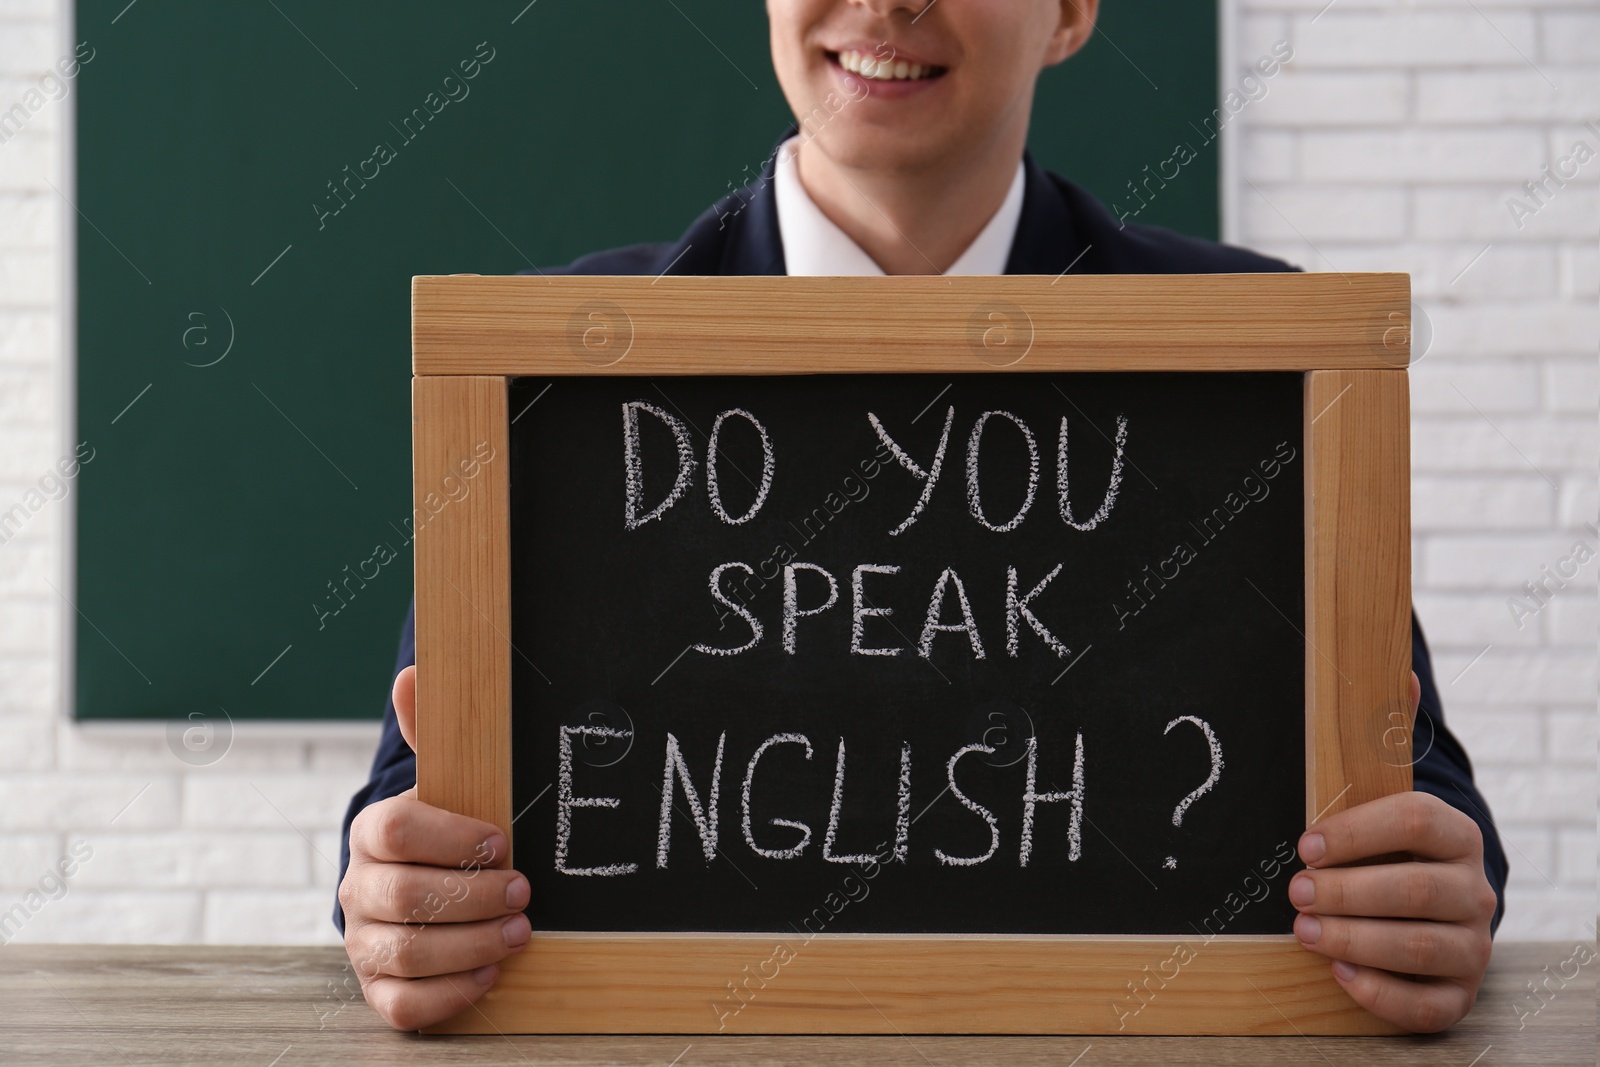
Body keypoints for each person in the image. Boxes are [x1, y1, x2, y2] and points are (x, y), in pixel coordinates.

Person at [335, 0, 1507, 1033]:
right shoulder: (557, 371)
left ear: (1070, 11)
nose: (891, 1)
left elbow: (1425, 797)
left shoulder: (1255, 350)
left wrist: (1431, 885)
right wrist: (397, 894)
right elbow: (405, 829)